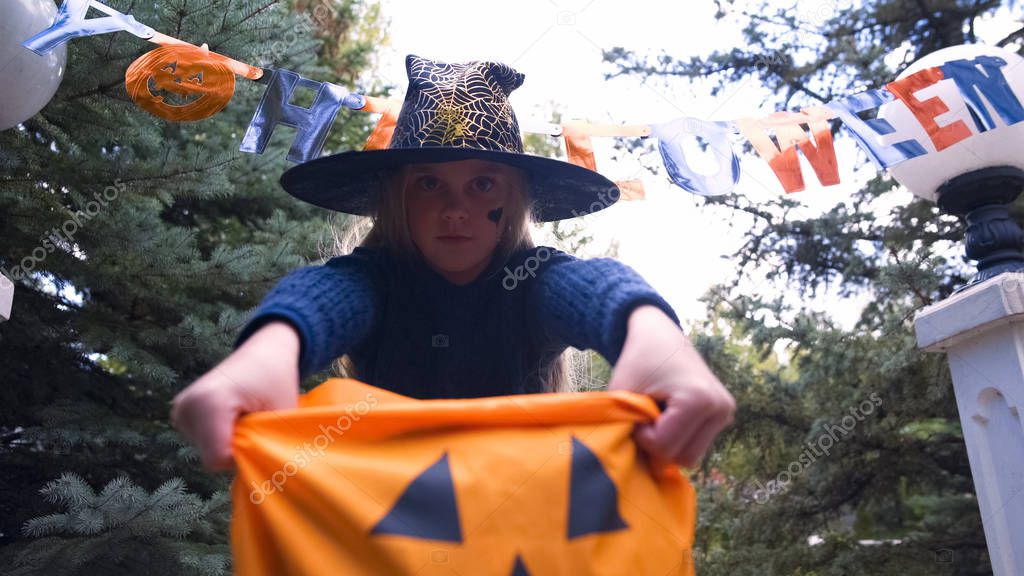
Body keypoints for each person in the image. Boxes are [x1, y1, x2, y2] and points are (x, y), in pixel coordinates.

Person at [170, 54, 735, 475]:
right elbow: (322, 298)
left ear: (512, 201)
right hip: (385, 530)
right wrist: (267, 354)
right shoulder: (378, 279)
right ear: (397, 198)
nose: (456, 209)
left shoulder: (530, 279)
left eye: (482, 183)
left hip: (526, 526)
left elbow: (593, 287)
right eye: (430, 183)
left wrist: (659, 342)